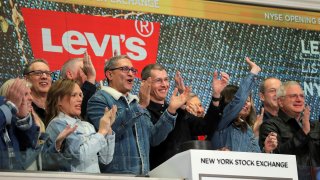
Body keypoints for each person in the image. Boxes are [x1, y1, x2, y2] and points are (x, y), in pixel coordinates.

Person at [87, 55, 190, 175]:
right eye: (125, 69)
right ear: (110, 75)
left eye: (133, 70)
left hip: (144, 174)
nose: (131, 74)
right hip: (117, 175)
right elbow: (111, 130)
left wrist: (171, 110)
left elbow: (153, 138)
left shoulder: (135, 102)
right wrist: (140, 106)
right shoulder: (99, 100)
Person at [140, 64, 224, 169]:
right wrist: (171, 111)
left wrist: (216, 96)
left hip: (187, 172)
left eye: (166, 80)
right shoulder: (141, 111)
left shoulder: (177, 109)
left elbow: (205, 127)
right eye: (158, 80)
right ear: (145, 83)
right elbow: (154, 140)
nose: (164, 85)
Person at [44, 79, 116, 173]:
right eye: (74, 95)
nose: (80, 99)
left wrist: (108, 128)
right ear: (59, 100)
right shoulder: (57, 124)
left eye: (80, 95)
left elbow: (105, 159)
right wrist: (101, 132)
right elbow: (80, 155)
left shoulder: (87, 125)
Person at [211, 57, 277, 153]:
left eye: (248, 100)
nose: (246, 103)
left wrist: (266, 150)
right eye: (243, 100)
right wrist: (253, 72)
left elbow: (254, 160)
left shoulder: (246, 127)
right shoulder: (221, 119)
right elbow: (239, 100)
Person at [259, 81, 320, 179]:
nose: (299, 100)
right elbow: (274, 159)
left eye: (301, 96)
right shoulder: (270, 125)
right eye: (293, 96)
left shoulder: (315, 125)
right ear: (280, 102)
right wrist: (303, 133)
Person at [0, 78, 39, 170]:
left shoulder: (20, 123)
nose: (31, 98)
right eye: (25, 94)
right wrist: (11, 105)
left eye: (30, 94)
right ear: (9, 98)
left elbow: (30, 147)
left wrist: (23, 118)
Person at [60, 51, 97, 118]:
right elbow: (81, 109)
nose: (90, 73)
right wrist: (91, 78)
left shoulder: (96, 93)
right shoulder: (60, 96)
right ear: (70, 74)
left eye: (90, 70)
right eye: (85, 70)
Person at [23, 59, 52, 126]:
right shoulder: (22, 108)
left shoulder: (58, 106)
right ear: (26, 78)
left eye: (48, 73)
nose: (44, 77)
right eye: (38, 73)